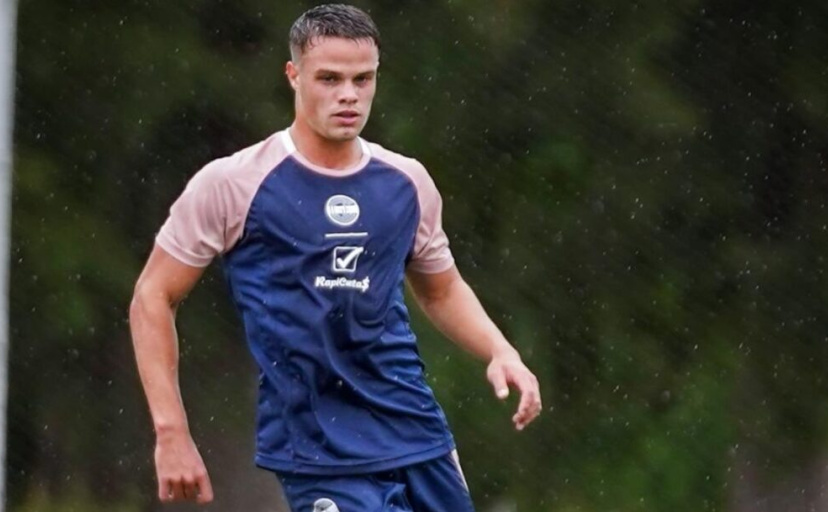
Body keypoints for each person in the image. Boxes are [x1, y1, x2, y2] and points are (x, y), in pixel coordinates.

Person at [129, 4, 541, 511]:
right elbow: (153, 296)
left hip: (415, 433)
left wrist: (501, 351)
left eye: (362, 79)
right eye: (329, 79)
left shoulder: (406, 182)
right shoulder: (233, 184)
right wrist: (171, 432)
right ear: (293, 75)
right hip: (317, 448)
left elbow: (442, 290)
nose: (349, 94)